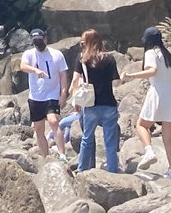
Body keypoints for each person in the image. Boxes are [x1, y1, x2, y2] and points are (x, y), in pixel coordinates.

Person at [127, 26, 171, 179]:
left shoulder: (150, 53)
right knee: (168, 139)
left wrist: (132, 75)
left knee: (141, 125)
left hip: (158, 92)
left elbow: (152, 71)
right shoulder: (170, 55)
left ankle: (148, 151)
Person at [74, 28, 123, 173]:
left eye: (83, 43)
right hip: (109, 104)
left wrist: (76, 100)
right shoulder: (109, 58)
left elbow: (76, 80)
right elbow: (116, 82)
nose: (81, 46)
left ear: (87, 43)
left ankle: (82, 169)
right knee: (110, 141)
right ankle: (113, 170)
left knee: (87, 139)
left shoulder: (82, 59)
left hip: (90, 105)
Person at [21, 28, 68, 159]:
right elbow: (23, 66)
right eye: (35, 42)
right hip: (35, 97)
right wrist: (35, 70)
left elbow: (63, 75)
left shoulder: (57, 54)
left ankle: (62, 154)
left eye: (40, 41)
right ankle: (45, 157)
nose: (38, 44)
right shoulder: (29, 54)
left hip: (52, 94)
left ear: (46, 39)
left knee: (53, 121)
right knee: (39, 129)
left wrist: (63, 93)